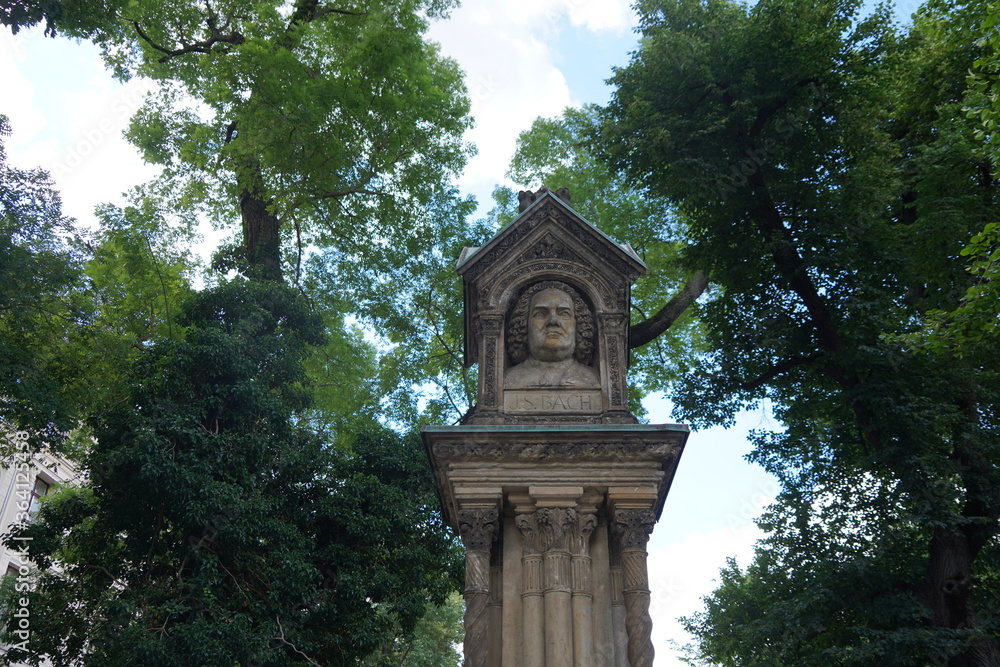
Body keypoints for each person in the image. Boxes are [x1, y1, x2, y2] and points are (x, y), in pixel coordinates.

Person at [504, 281, 600, 389]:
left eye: (564, 313)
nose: (553, 321)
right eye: (540, 314)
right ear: (524, 324)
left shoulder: (592, 380)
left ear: (578, 324)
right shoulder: (510, 380)